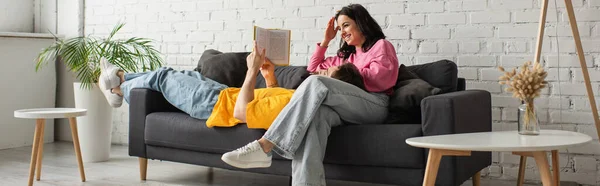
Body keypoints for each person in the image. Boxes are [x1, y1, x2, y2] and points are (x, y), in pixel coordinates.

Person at [222, 4, 399, 186]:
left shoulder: (380, 46)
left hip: (374, 104)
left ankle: (266, 145)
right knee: (317, 117)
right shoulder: (347, 56)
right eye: (339, 28)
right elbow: (313, 69)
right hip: (346, 106)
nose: (342, 32)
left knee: (317, 82)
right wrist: (326, 41)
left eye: (346, 25)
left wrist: (343, 74)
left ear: (361, 23)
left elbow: (383, 79)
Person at [98, 42, 366, 129]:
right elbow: (272, 98)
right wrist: (269, 76)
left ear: (334, 84)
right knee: (171, 73)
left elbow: (243, 111)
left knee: (163, 78)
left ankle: (119, 85)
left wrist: (251, 72)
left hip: (214, 105)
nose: (321, 71)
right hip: (220, 94)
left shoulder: (308, 100)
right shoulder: (304, 96)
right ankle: (119, 83)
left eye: (328, 72)